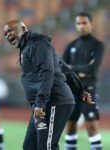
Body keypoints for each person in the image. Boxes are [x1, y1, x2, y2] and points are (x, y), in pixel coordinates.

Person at [3, 19, 94, 150]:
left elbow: (47, 72)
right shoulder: (29, 47)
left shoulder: (38, 44)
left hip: (53, 101)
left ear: (23, 29)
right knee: (30, 146)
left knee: (47, 146)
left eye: (11, 30)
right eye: (5, 33)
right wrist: (80, 92)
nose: (8, 35)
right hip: (43, 104)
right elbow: (64, 69)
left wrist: (40, 103)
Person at [63, 12, 105, 150]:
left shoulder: (98, 45)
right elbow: (62, 67)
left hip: (88, 90)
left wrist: (72, 68)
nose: (81, 26)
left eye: (84, 23)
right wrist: (80, 69)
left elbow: (92, 68)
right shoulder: (71, 45)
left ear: (91, 24)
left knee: (92, 127)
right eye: (78, 23)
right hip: (71, 91)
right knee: (70, 128)